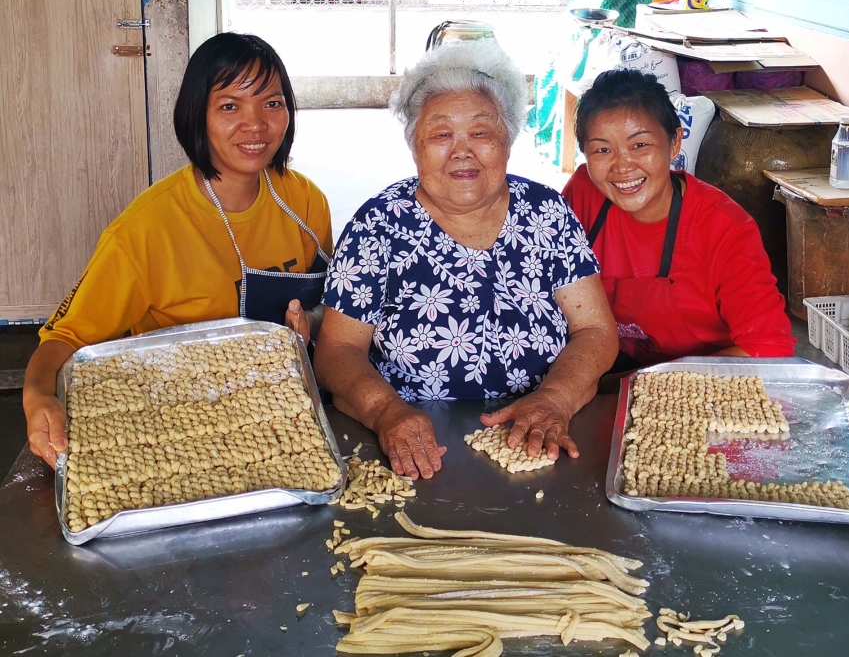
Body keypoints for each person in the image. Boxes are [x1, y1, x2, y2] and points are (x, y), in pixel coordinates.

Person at [24, 33, 333, 467]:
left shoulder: (305, 202)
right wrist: (37, 398)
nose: (256, 125)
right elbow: (64, 339)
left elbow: (329, 308)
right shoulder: (144, 231)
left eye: (272, 103)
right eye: (229, 106)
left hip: (279, 412)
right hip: (179, 423)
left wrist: (310, 323)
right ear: (197, 116)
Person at [313, 41, 618, 481]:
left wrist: (554, 399)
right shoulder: (378, 225)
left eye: (480, 133)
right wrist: (386, 412)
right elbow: (338, 350)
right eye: (441, 134)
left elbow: (595, 330)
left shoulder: (545, 212)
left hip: (540, 439)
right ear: (415, 145)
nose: (462, 151)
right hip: (413, 450)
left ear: (507, 143)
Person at [563, 69, 794, 370]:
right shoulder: (583, 194)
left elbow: (769, 349)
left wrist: (655, 384)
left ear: (674, 143)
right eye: (602, 150)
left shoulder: (725, 229)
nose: (622, 166)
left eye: (640, 145)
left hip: (706, 379)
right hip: (609, 365)